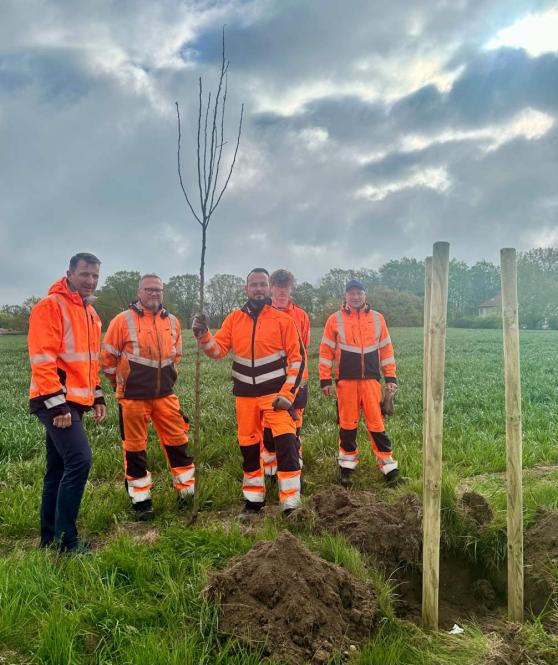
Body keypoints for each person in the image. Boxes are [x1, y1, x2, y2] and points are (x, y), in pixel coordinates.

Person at [192, 268, 305, 517]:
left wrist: (288, 394)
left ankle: (291, 503)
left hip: (276, 398)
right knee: (249, 448)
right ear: (246, 289)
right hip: (244, 398)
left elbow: (299, 360)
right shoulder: (234, 319)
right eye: (253, 284)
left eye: (262, 284)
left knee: (286, 446)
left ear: (269, 288)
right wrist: (203, 335)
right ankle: (254, 502)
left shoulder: (283, 320)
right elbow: (217, 350)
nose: (258, 289)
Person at [28, 252, 107, 553]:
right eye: (85, 274)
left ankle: (49, 537)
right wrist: (56, 404)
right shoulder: (51, 306)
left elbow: (89, 362)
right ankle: (67, 540)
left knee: (59, 468)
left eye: (95, 275)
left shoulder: (91, 314)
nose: (90, 280)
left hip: (75, 400)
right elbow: (42, 357)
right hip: (57, 401)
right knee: (80, 460)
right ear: (70, 274)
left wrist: (97, 394)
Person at [101, 274, 194, 521]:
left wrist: (167, 380)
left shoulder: (172, 321)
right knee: (135, 449)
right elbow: (108, 360)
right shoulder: (122, 321)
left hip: (165, 396)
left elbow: (177, 356)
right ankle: (141, 501)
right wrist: (120, 384)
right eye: (149, 290)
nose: (154, 294)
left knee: (179, 444)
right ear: (139, 292)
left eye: (158, 290)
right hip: (132, 398)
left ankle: (187, 494)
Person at [319, 279, 403, 486]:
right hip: (345, 382)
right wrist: (324, 379)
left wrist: (390, 377)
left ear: (365, 295)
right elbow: (326, 351)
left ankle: (389, 468)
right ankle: (347, 469)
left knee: (377, 424)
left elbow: (386, 350)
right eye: (351, 293)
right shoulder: (334, 319)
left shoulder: (378, 319)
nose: (355, 296)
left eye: (359, 293)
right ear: (345, 296)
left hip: (371, 382)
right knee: (347, 425)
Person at [261, 269, 310, 477]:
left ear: (290, 289)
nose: (282, 291)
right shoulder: (261, 313)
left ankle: (293, 466)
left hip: (297, 382)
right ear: (271, 288)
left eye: (285, 288)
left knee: (294, 425)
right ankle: (270, 470)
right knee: (268, 427)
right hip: (269, 381)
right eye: (278, 287)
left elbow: (303, 347)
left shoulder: (301, 315)